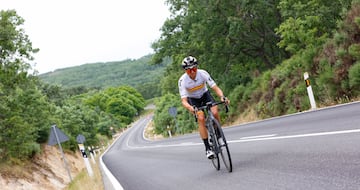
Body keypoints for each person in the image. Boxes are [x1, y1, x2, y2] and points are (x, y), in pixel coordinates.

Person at [178, 55, 230, 159]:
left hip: (205, 95)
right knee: (201, 118)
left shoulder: (203, 73)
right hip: (193, 100)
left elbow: (215, 88)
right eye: (189, 70)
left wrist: (222, 97)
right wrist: (190, 108)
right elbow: (184, 101)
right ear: (185, 71)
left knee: (215, 112)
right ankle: (207, 148)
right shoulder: (182, 81)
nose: (192, 72)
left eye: (194, 68)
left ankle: (218, 134)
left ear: (197, 67)